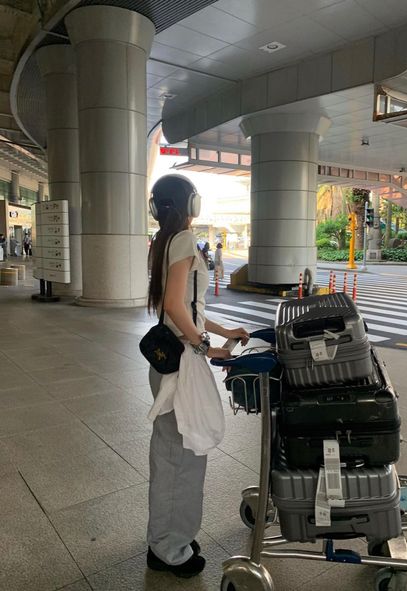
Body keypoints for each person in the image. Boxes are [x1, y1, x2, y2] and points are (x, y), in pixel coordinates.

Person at [146, 174, 249, 578]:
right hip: (183, 364)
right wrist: (208, 347)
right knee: (182, 459)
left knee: (171, 455)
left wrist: (223, 332)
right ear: (188, 203)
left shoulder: (165, 242)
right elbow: (176, 305)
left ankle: (168, 537)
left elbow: (190, 306)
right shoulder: (185, 240)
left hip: (169, 359)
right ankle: (170, 549)